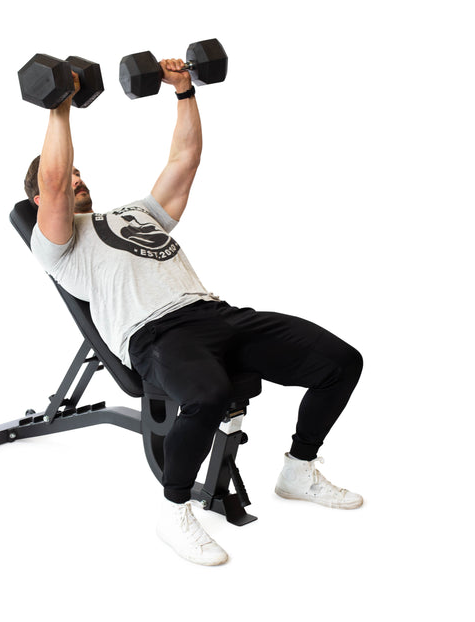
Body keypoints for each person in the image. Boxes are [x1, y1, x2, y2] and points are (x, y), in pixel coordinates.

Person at [25, 58, 364, 566]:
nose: (75, 179)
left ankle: (298, 468)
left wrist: (184, 92)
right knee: (209, 396)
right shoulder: (58, 243)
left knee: (342, 361)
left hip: (216, 315)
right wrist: (60, 108)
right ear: (38, 200)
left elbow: (185, 160)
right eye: (66, 176)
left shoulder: (134, 213)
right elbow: (52, 181)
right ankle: (174, 511)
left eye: (80, 174)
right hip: (155, 335)